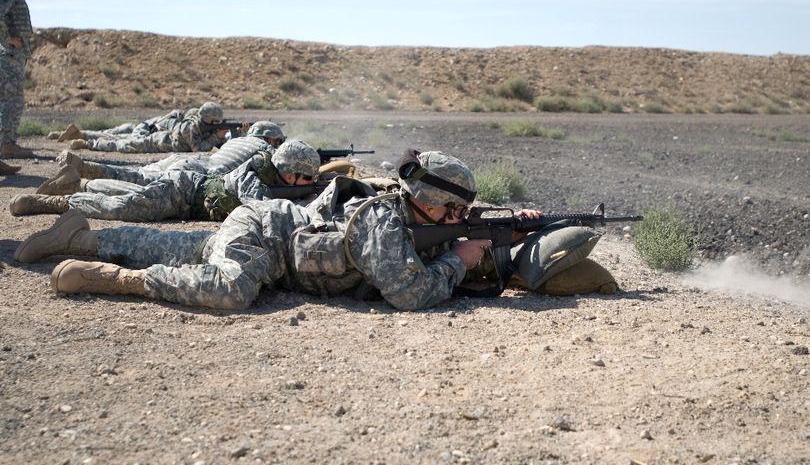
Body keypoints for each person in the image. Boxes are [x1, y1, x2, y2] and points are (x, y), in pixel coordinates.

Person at [16, 149, 616, 312]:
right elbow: (410, 294)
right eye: (453, 214)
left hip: (274, 234)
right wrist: (460, 259)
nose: (460, 223)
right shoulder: (383, 217)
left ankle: (82, 234)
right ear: (428, 203)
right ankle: (109, 276)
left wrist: (508, 230)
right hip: (267, 236)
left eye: (465, 215)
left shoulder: (417, 215)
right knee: (228, 289)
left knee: (187, 243)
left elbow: (452, 235)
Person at [10, 139, 321, 222]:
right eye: (306, 177)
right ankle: (54, 202)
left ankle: (80, 180)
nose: (307, 182)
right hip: (183, 192)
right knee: (122, 208)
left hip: (188, 198)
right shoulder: (255, 172)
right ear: (289, 170)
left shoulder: (274, 173)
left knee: (134, 184)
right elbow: (263, 209)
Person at [37, 121, 286, 194]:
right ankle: (83, 185)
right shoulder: (265, 150)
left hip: (184, 159)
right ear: (270, 139)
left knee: (138, 174)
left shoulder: (237, 140)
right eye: (278, 141)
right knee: (139, 186)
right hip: (202, 171)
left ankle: (85, 166)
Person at [62, 102, 229, 153]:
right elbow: (198, 149)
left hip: (159, 138)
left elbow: (218, 145)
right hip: (157, 142)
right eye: (216, 122)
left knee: (122, 138)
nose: (217, 125)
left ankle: (83, 135)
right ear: (208, 119)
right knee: (121, 143)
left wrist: (232, 134)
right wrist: (217, 136)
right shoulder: (189, 127)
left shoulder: (205, 125)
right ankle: (88, 143)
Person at [0, 0, 34, 159]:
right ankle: (7, 144)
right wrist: (7, 39)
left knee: (6, 100)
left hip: (11, 55)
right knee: (13, 100)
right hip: (10, 56)